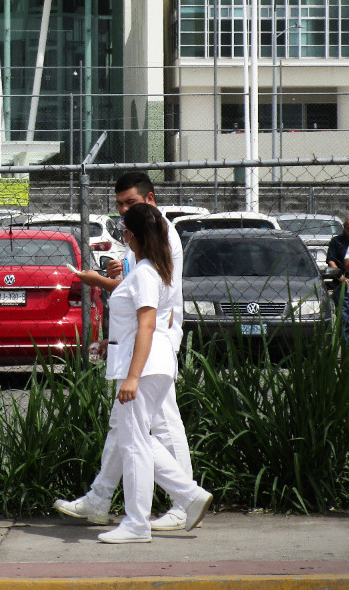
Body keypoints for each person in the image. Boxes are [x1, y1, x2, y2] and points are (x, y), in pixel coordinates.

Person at [54, 172, 196, 532]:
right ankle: (101, 498)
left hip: (151, 346)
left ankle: (185, 500)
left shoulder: (159, 232)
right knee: (124, 426)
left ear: (150, 199)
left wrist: (102, 282)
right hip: (139, 344)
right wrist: (116, 275)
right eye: (119, 205)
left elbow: (149, 301)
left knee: (157, 425)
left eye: (130, 203)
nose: (122, 212)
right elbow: (137, 286)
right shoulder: (145, 239)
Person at [86, 202, 212, 543]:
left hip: (143, 365)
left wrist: (131, 377)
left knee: (136, 444)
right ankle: (188, 496)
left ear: (130, 235)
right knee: (138, 439)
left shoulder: (144, 273)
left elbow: (145, 326)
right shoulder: (155, 269)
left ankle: (138, 523)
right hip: (153, 364)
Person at [326, 214, 349, 299]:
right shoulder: (336, 241)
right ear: (344, 228)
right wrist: (342, 278)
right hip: (341, 282)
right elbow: (331, 261)